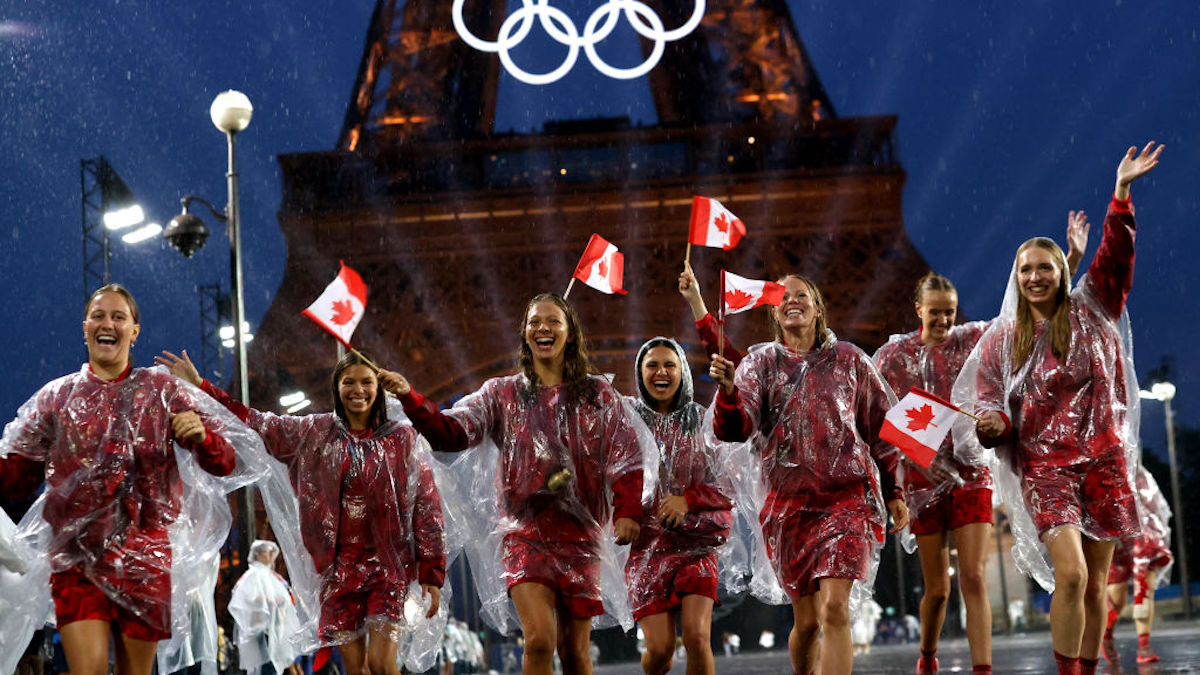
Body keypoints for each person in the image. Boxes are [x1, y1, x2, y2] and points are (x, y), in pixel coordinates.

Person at [960, 141, 1164, 675]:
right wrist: (991, 423)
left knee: (1099, 584)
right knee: (1071, 576)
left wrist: (1119, 195)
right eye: (1025, 268)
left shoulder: (1094, 305)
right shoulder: (1003, 340)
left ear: (1060, 271)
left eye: (1044, 267)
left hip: (1103, 461)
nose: (1034, 276)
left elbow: (1114, 257)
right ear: (1016, 275)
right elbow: (988, 398)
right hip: (1047, 470)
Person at [389, 293, 644, 675]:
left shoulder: (597, 395)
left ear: (570, 333)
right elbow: (453, 432)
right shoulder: (500, 394)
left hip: (581, 535)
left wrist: (627, 511)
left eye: (553, 321)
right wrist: (412, 400)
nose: (543, 328)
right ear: (525, 334)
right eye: (534, 322)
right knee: (539, 640)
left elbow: (626, 454)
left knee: (575, 652)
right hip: (525, 534)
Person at [156, 349, 446, 675]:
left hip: (390, 569)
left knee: (381, 664)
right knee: (357, 669)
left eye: (366, 382)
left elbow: (426, 504)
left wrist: (431, 570)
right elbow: (254, 421)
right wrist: (201, 386)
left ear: (379, 388)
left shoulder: (402, 438)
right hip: (338, 573)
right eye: (348, 382)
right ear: (336, 388)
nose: (358, 390)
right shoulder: (313, 432)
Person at [0, 284, 236, 675]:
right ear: (85, 327)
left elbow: (225, 463)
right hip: (78, 562)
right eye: (98, 315)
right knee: (88, 670)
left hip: (145, 564)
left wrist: (203, 437)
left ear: (134, 330)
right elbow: (16, 481)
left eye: (118, 317)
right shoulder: (56, 399)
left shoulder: (163, 392)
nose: (107, 323)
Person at [708, 273, 909, 675]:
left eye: (801, 295)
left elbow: (882, 430)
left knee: (835, 608)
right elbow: (734, 429)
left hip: (847, 500)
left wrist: (894, 491)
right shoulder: (760, 364)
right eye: (783, 297)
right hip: (789, 509)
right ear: (774, 312)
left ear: (818, 308)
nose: (791, 301)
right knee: (808, 622)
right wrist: (729, 392)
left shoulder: (851, 360)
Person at [622, 337, 734, 675]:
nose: (661, 372)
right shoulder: (626, 425)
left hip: (695, 545)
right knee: (659, 652)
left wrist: (688, 500)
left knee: (698, 637)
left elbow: (729, 485)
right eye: (652, 365)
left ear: (681, 371)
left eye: (669, 364)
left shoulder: (701, 421)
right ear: (640, 373)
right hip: (646, 550)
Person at [1103, 465, 1173, 664]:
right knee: (1117, 596)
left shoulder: (1139, 472)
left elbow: (1154, 504)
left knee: (1145, 588)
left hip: (1142, 529)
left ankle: (1144, 645)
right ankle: (1106, 632)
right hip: (1113, 528)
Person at [229, 540, 302, 675]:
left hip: (277, 628)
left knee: (276, 665)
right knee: (268, 665)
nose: (271, 555)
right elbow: (245, 598)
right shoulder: (253, 575)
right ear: (258, 554)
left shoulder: (272, 576)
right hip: (262, 629)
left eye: (272, 552)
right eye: (267, 552)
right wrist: (271, 601)